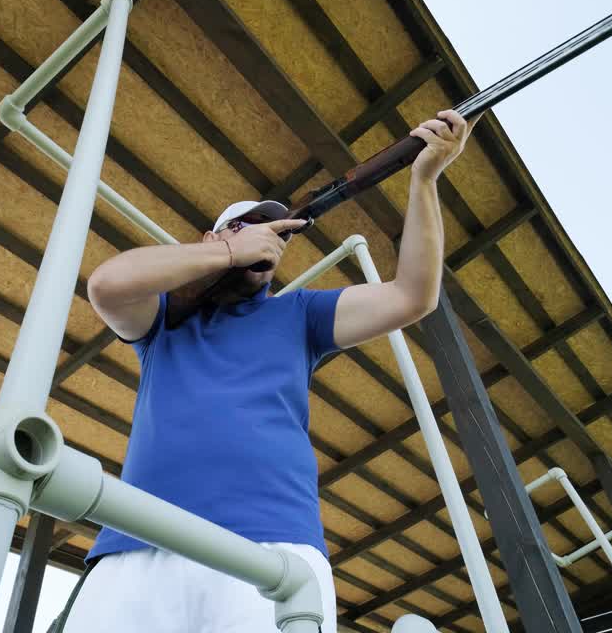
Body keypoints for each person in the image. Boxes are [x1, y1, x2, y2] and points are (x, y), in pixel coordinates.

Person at [61, 110, 477, 632]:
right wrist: (231, 251)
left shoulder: (299, 314)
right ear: (210, 241)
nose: (264, 237)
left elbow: (412, 297)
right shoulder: (163, 319)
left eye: (270, 231)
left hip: (276, 545)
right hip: (136, 542)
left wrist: (424, 179)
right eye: (242, 226)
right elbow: (106, 284)